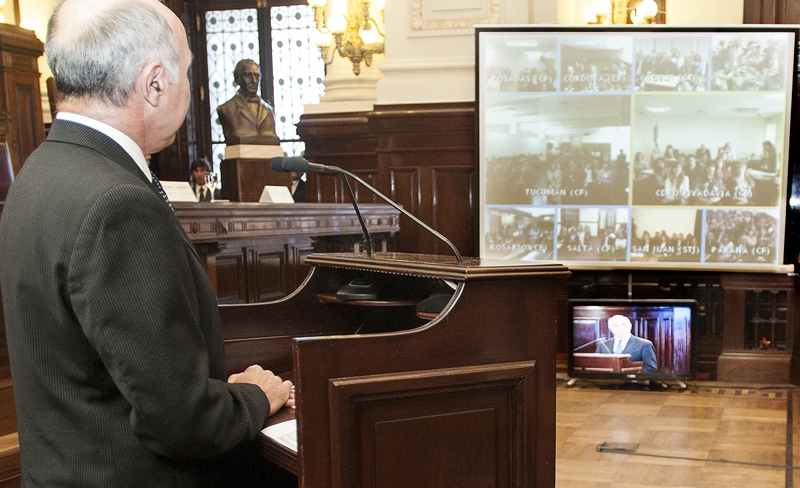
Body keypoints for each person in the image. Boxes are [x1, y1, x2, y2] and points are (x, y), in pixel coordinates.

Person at [0, 0, 293, 486]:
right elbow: (182, 424)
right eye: (185, 72)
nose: (191, 87)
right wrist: (255, 396)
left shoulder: (41, 169)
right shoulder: (115, 202)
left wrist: (213, 392)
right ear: (154, 82)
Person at [216, 59, 280, 146]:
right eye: (248, 75)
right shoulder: (227, 109)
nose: (253, 81)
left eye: (256, 76)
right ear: (237, 79)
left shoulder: (269, 110)